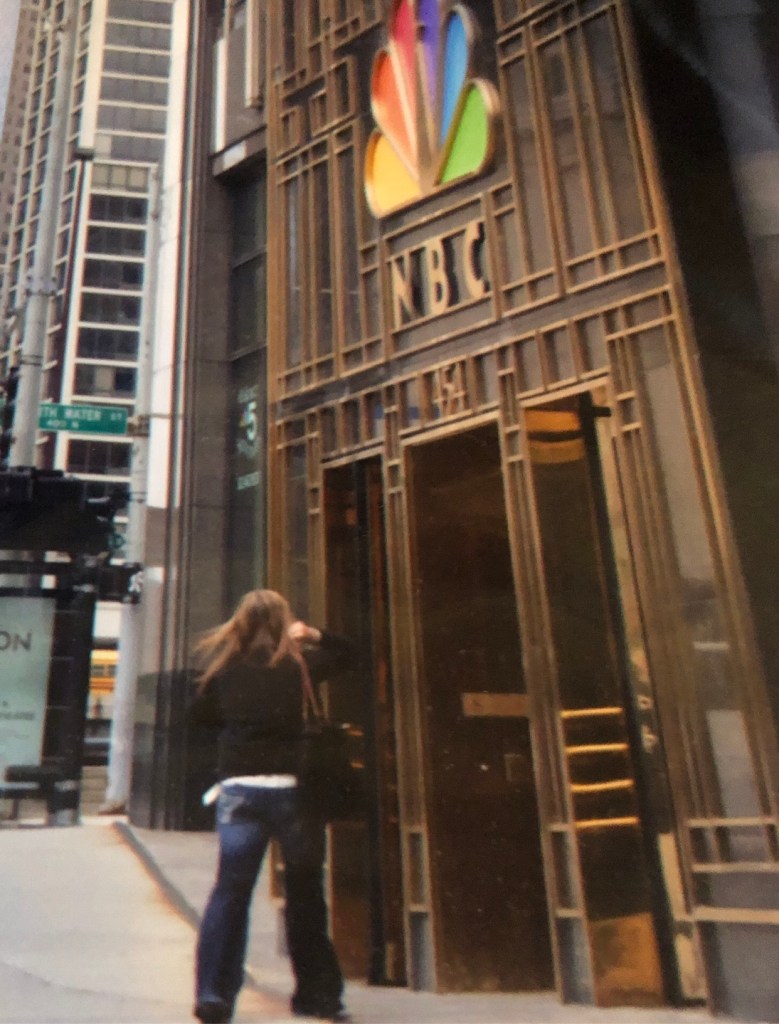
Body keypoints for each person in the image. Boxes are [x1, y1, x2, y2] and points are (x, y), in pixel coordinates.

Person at [190, 589, 354, 1024]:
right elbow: (352, 654)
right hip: (291, 792)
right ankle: (317, 996)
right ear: (286, 624)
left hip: (240, 793)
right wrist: (314, 635)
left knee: (230, 893)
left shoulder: (221, 671)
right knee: (305, 895)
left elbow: (200, 720)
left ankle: (214, 995)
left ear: (238, 625)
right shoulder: (300, 666)